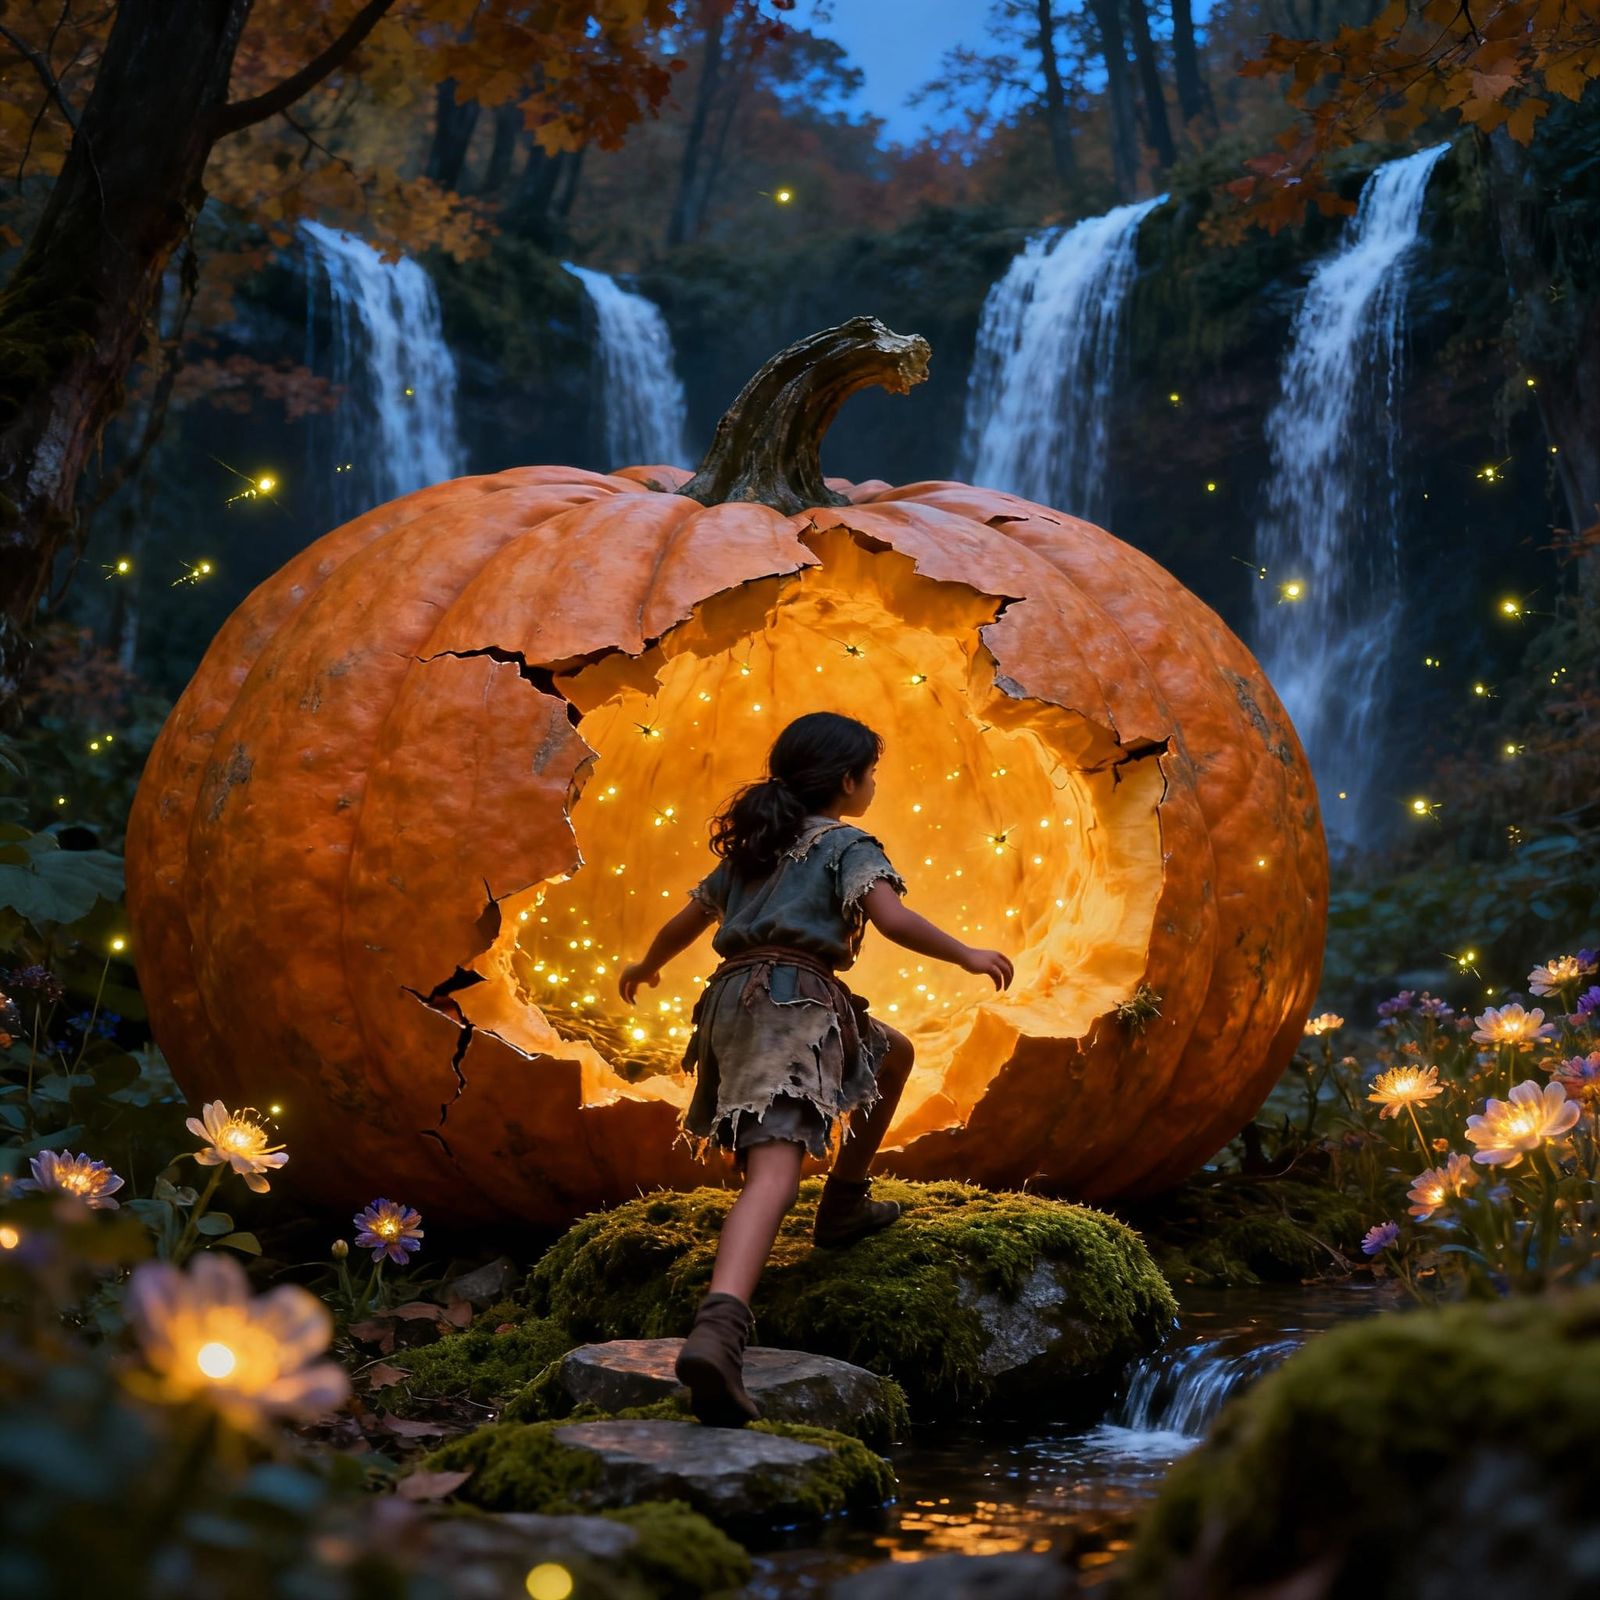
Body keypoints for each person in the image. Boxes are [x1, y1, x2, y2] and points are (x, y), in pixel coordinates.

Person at [617, 710, 1014, 1427]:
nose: (874, 785)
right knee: (774, 1171)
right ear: (847, 781)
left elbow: (686, 921)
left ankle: (845, 1203)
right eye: (872, 773)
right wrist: (968, 954)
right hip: (792, 1004)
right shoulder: (847, 844)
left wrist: (646, 966)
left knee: (891, 1052)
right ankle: (719, 1332)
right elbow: (890, 919)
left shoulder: (757, 845)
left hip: (732, 1003)